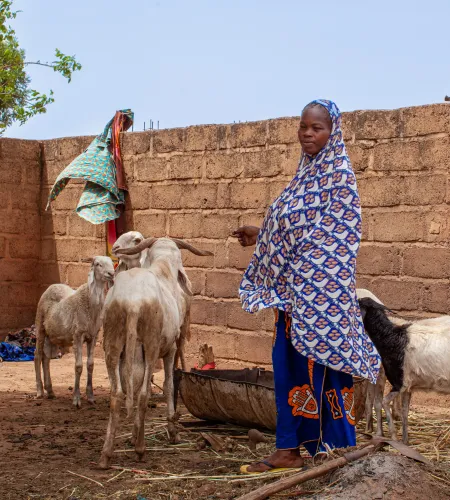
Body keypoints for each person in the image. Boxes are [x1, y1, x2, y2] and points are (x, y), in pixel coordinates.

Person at [233, 100, 381, 474]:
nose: (307, 134)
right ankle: (291, 449)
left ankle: (329, 451)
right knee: (290, 372)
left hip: (321, 299)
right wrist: (261, 234)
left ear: (333, 133)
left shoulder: (339, 178)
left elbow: (335, 239)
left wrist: (307, 277)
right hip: (293, 300)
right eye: (303, 127)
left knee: (323, 372)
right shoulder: (305, 175)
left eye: (316, 128)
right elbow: (294, 228)